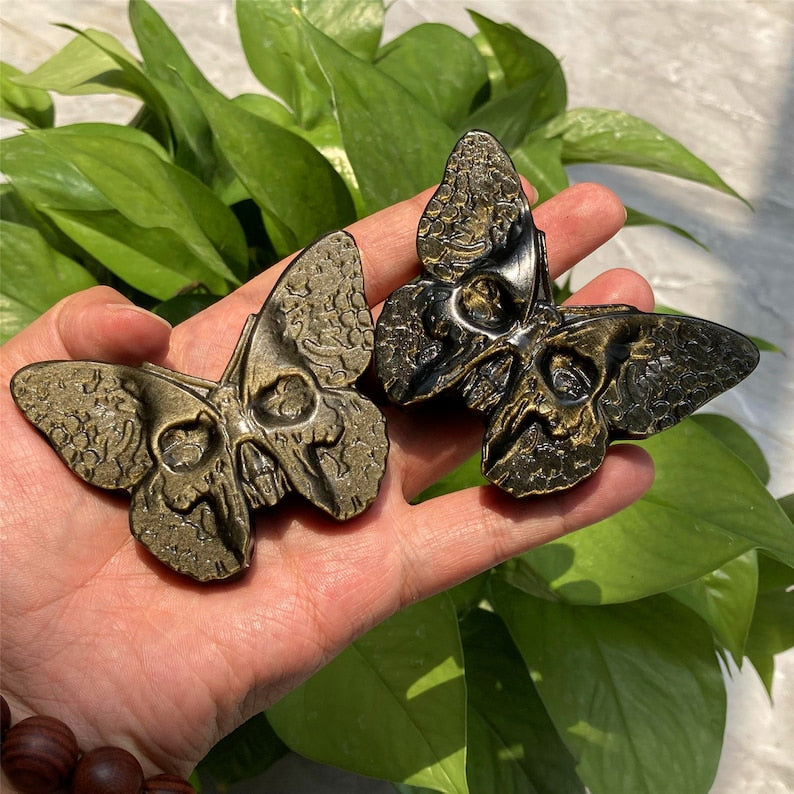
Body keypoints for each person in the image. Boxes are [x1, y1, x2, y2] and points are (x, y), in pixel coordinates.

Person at [0, 182, 654, 780]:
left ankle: (241, 430)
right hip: (241, 479)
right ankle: (255, 425)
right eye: (185, 436)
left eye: (276, 398)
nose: (247, 439)